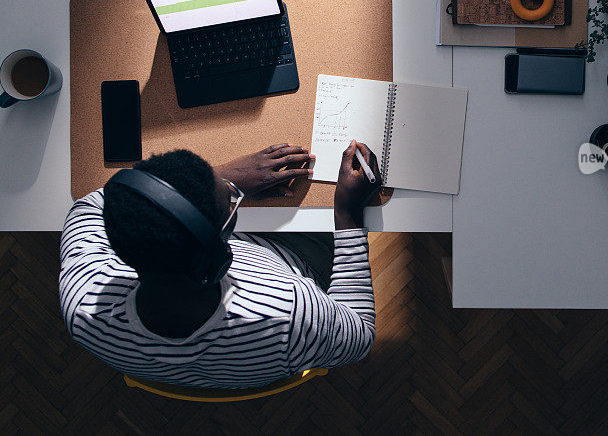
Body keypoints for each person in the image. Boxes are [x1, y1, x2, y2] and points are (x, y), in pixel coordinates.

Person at [59, 140, 380, 388]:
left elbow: (94, 204)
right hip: (298, 260)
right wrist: (347, 215)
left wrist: (220, 177)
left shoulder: (83, 303)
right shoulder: (292, 311)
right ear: (218, 257)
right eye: (230, 201)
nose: (233, 193)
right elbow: (361, 333)